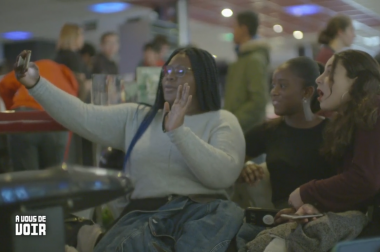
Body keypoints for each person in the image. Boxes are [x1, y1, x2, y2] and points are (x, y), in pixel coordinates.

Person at [15, 47, 245, 251]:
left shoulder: (222, 120)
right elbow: (82, 115)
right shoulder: (139, 117)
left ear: (204, 77)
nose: (170, 77)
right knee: (24, 224)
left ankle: (87, 238)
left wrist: (179, 131)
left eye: (181, 72)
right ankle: (85, 237)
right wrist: (37, 84)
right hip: (144, 218)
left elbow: (222, 177)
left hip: (201, 218)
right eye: (167, 71)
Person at [285, 49, 380, 221]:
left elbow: (365, 180)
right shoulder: (349, 120)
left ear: (356, 82)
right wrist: (315, 206)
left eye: (330, 72)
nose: (318, 79)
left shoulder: (374, 109)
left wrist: (306, 193)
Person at [239, 57, 334, 209]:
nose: (274, 92)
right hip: (282, 220)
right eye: (273, 85)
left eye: (282, 86)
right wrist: (244, 167)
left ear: (307, 92)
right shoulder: (268, 131)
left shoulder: (333, 132)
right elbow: (229, 162)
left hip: (325, 217)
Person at [0, 59, 78, 171]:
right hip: (54, 122)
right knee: (52, 178)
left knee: (26, 178)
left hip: (24, 117)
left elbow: (4, 85)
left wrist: (12, 111)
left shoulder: (37, 66)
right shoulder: (71, 81)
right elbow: (70, 121)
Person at [224, 11, 269, 134]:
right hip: (238, 130)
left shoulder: (254, 60)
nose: (233, 32)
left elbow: (258, 101)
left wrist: (232, 121)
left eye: (234, 27)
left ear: (243, 29)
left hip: (247, 132)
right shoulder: (242, 58)